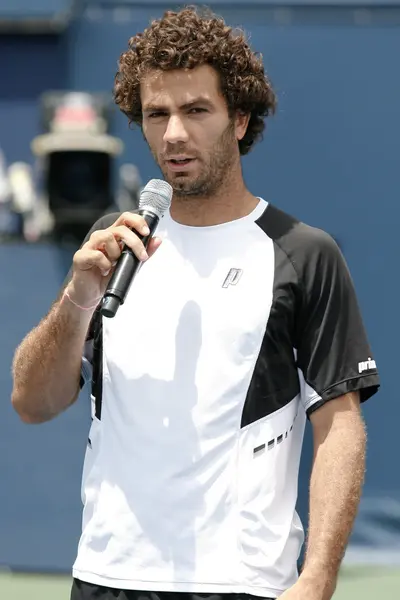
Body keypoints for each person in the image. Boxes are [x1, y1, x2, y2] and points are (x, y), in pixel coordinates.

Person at [11, 7, 380, 600]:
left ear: (240, 119)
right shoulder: (113, 244)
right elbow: (31, 402)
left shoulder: (303, 253)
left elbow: (339, 425)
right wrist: (77, 299)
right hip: (107, 578)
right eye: (156, 114)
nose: (174, 133)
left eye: (195, 110)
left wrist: (317, 578)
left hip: (243, 584)